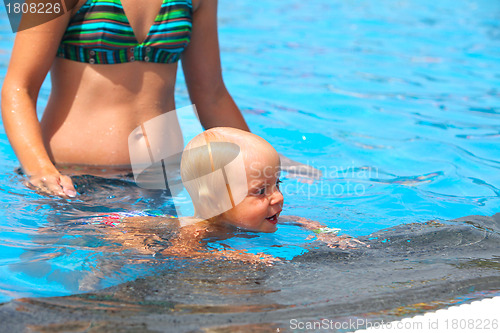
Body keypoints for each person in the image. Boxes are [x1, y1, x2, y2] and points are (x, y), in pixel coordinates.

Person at [1, 0, 251, 199]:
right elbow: (18, 88)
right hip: (74, 180)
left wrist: (262, 171)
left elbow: (212, 95)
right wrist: (39, 170)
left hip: (164, 180)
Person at [89, 128, 363, 265]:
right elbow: (180, 255)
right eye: (261, 191)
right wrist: (239, 257)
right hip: (116, 226)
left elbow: (305, 221)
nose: (278, 198)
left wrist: (328, 233)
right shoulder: (198, 229)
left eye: (277, 184)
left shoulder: (248, 217)